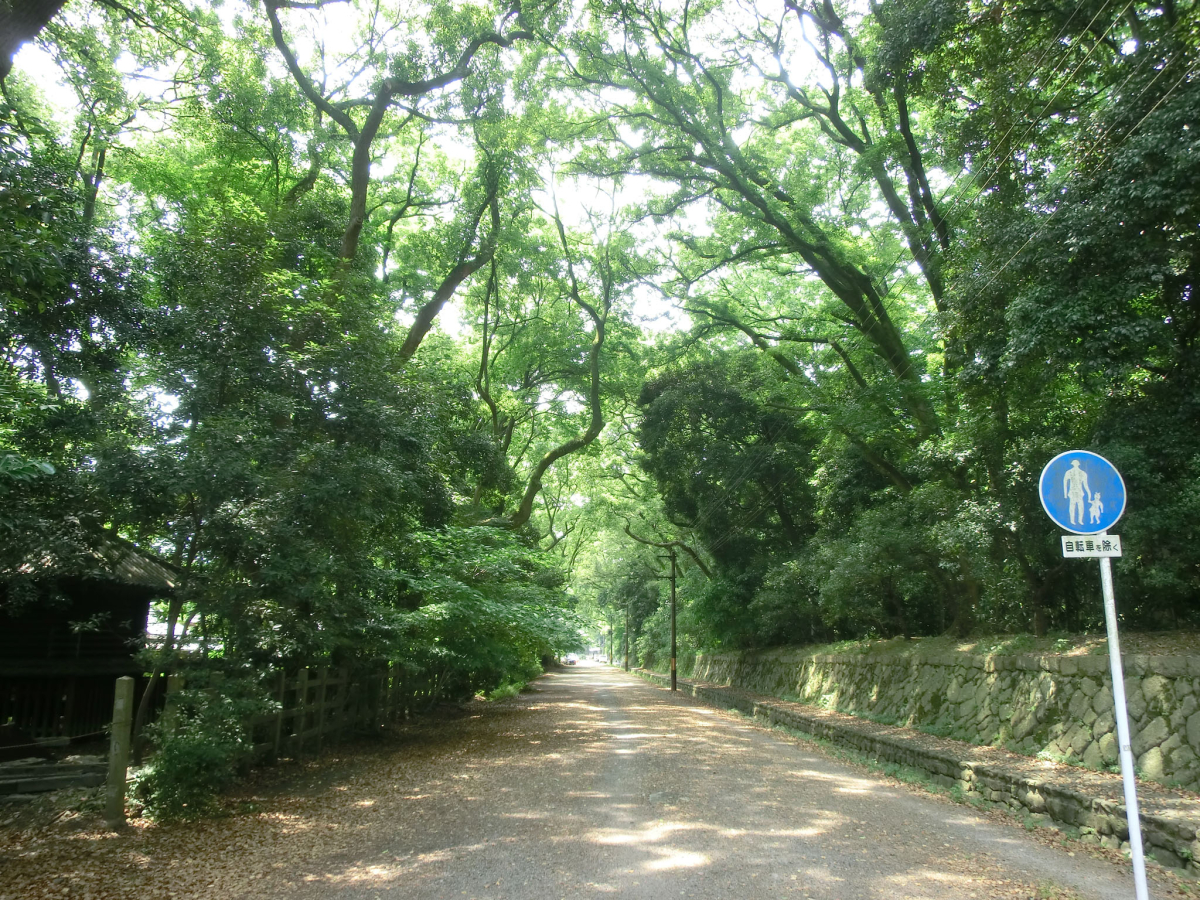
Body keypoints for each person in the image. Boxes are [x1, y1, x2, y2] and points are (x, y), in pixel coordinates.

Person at [1063, 459, 1090, 527]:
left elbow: (1086, 485)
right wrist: (1065, 494)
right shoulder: (1069, 472)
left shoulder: (1083, 473)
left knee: (1081, 507)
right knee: (1072, 506)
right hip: (1072, 492)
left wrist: (1089, 494)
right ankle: (1072, 520)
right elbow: (1065, 483)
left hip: (1080, 492)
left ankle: (1080, 520)